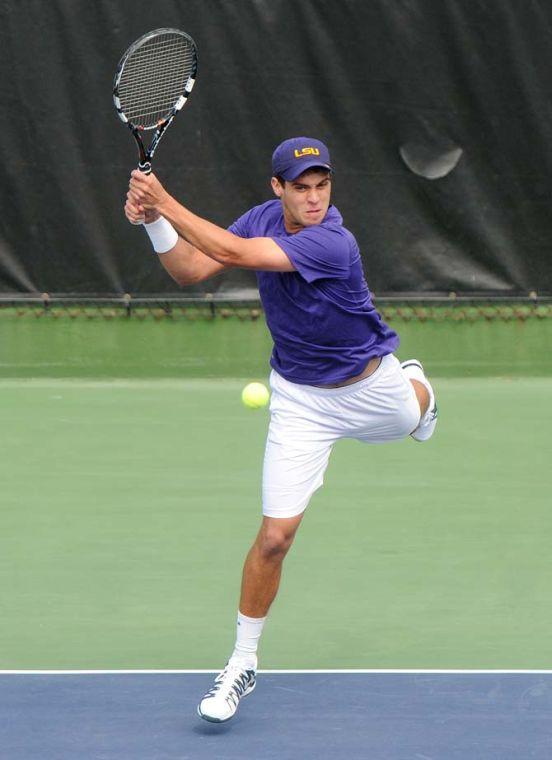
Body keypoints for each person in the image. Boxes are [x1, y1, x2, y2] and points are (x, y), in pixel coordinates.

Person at [125, 136, 438, 723]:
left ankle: (421, 386)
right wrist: (152, 222)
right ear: (279, 189)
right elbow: (192, 269)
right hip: (300, 400)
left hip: (371, 389)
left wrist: (164, 200)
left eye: (323, 185)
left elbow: (238, 256)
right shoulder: (263, 219)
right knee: (275, 538)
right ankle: (243, 662)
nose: (315, 197)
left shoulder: (333, 241)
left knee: (411, 416)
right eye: (302, 187)